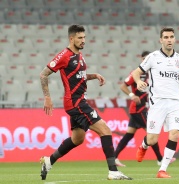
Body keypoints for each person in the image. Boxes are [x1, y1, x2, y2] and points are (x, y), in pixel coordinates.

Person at [39, 24, 132, 180]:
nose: (83, 41)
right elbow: (43, 74)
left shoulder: (79, 55)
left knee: (77, 139)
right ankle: (113, 171)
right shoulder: (64, 55)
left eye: (84, 37)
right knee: (105, 130)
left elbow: (77, 76)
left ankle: (49, 161)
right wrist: (47, 97)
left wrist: (93, 75)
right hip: (75, 103)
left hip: (78, 101)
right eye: (80, 38)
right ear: (71, 38)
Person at [131, 27, 179, 178]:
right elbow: (136, 73)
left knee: (175, 134)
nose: (169, 40)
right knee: (152, 139)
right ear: (161, 40)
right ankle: (143, 146)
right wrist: (138, 82)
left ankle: (162, 170)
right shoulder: (153, 57)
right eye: (166, 37)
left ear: (174, 39)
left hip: (175, 102)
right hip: (157, 102)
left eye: (171, 37)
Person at [114, 51, 176, 167]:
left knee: (129, 135)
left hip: (145, 108)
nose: (146, 61)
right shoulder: (137, 74)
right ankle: (160, 159)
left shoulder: (154, 73)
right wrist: (132, 96)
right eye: (144, 59)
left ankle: (114, 157)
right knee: (152, 132)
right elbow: (123, 86)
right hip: (139, 109)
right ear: (141, 60)